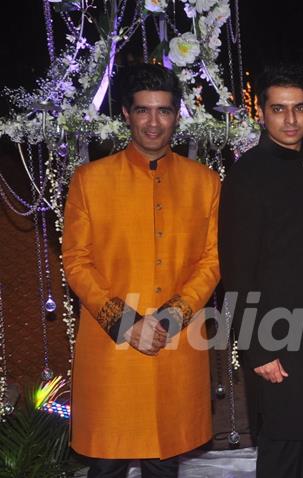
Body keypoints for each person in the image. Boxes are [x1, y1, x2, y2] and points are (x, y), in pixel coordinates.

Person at [63, 64, 220, 477]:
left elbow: (213, 260)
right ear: (126, 115)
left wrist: (171, 316)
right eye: (143, 111)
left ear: (177, 116)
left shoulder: (205, 183)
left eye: (164, 111)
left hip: (176, 344)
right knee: (106, 464)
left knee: (165, 465)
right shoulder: (89, 180)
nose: (154, 122)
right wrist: (124, 321)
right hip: (111, 349)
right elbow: (76, 262)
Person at [218, 63, 303, 478]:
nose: (290, 119)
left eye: (300, 108)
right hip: (277, 338)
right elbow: (236, 269)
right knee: (283, 446)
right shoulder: (247, 173)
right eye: (279, 109)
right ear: (262, 112)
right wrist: (257, 347)